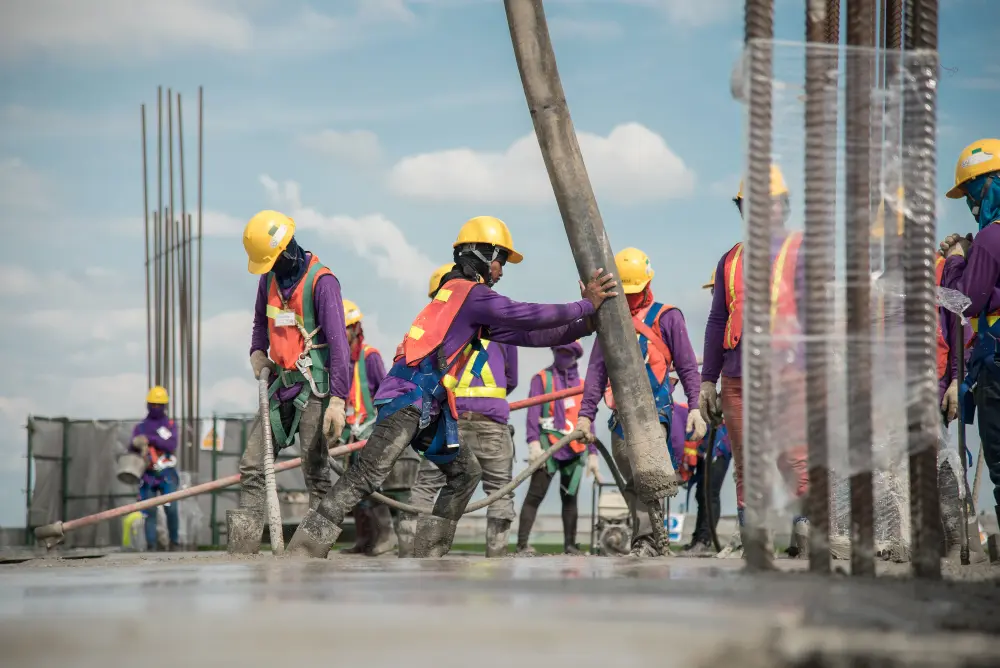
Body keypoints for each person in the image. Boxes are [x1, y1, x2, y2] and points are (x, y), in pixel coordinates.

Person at [286, 215, 617, 558]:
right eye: (501, 261)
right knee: (366, 474)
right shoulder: (469, 294)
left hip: (424, 405)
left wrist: (585, 324)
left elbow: (530, 335)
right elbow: (527, 314)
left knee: (464, 474)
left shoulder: (459, 300)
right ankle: (305, 548)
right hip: (408, 400)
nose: (502, 271)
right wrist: (585, 305)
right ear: (483, 255)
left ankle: (431, 550)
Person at [399, 262, 597, 558]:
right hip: (491, 423)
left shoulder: (432, 330)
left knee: (427, 485)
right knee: (499, 491)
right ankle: (496, 556)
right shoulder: (499, 329)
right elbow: (511, 379)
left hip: (448, 421)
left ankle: (410, 554)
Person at [699, 165, 809, 559]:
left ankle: (805, 536)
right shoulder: (730, 261)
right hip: (738, 378)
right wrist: (707, 380)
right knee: (747, 463)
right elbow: (718, 320)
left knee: (794, 457)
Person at [228, 210, 350, 554]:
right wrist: (257, 351)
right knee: (253, 465)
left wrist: (338, 400)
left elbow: (339, 346)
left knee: (316, 472)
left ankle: (312, 553)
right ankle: (244, 551)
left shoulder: (322, 283)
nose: (268, 269)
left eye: (271, 261)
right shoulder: (268, 280)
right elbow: (260, 321)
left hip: (314, 388)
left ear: (286, 251)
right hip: (281, 386)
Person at [576, 247, 706, 557]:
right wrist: (585, 415)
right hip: (620, 418)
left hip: (654, 415)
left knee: (646, 479)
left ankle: (646, 542)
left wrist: (695, 407)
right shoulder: (609, 319)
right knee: (636, 483)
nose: (631, 298)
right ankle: (652, 541)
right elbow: (596, 372)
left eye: (635, 291)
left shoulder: (668, 317)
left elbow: (687, 366)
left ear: (647, 284)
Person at [939, 137, 1000, 531]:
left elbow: (963, 301)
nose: (972, 205)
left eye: (973, 193)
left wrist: (956, 260)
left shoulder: (992, 237)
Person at [516, 341, 599, 556]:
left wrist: (593, 454)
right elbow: (533, 413)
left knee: (570, 499)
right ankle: (522, 545)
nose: (563, 355)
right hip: (548, 447)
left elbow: (589, 420)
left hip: (575, 449)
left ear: (575, 356)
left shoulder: (582, 385)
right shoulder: (541, 379)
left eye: (568, 352)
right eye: (560, 350)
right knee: (535, 495)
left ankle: (570, 546)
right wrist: (533, 443)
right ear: (553, 351)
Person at [337, 298, 402, 557]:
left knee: (373, 485)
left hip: (370, 430)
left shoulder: (369, 356)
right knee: (353, 487)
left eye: (344, 328)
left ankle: (385, 536)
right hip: (350, 433)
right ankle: (364, 540)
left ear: (355, 328)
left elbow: (385, 392)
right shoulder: (338, 360)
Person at [130, 386, 180, 551]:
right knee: (149, 511)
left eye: (159, 405)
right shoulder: (140, 427)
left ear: (164, 406)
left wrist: (151, 439)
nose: (156, 407)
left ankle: (174, 542)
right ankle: (151, 545)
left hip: (166, 473)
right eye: (153, 404)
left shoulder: (170, 425)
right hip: (148, 475)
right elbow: (131, 449)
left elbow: (171, 444)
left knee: (171, 508)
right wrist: (135, 444)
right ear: (148, 404)